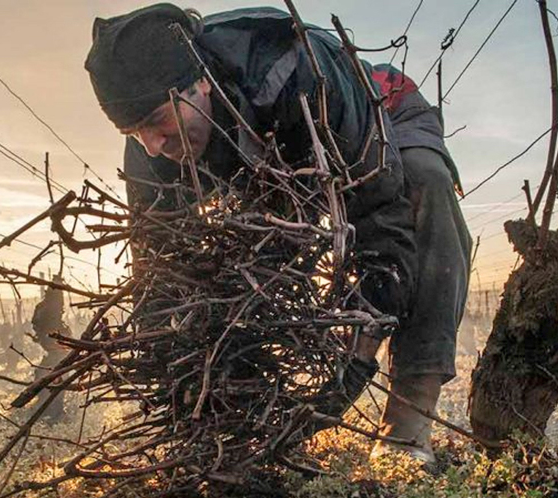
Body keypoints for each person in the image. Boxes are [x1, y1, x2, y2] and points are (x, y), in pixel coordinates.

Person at [85, 4, 471, 470]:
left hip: (378, 115)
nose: (151, 144)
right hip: (272, 159)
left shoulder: (295, 70)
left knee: (422, 186)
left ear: (198, 81)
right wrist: (179, 381)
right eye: (132, 132)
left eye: (155, 122)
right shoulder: (153, 148)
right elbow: (159, 265)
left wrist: (356, 361)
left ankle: (407, 430)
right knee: (248, 255)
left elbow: (379, 216)